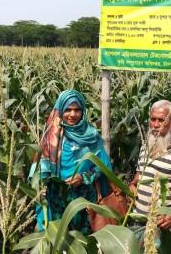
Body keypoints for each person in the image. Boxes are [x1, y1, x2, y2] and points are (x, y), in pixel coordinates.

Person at [29, 90, 112, 235]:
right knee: (60, 240)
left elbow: (102, 168)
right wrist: (39, 185)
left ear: (83, 111)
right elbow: (39, 168)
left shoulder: (91, 136)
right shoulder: (50, 137)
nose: (72, 114)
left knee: (84, 241)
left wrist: (84, 177)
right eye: (67, 110)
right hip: (57, 201)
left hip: (85, 201)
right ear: (60, 110)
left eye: (77, 110)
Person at [128, 100, 171, 253]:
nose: (156, 124)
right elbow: (141, 173)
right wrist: (132, 185)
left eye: (161, 120)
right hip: (139, 220)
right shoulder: (147, 144)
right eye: (153, 119)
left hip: (162, 225)